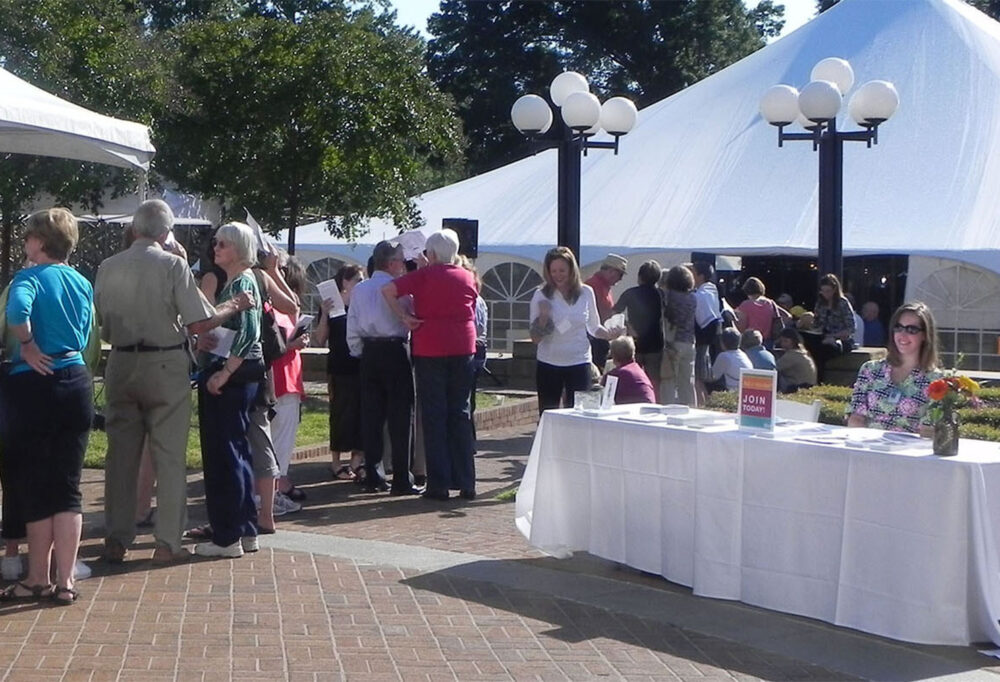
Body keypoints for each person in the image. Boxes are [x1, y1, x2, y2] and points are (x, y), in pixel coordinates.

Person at [96, 200, 254, 566]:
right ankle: (167, 541)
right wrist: (234, 306)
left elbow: (102, 321)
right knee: (168, 457)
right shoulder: (173, 264)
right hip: (165, 362)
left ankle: (116, 538)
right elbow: (200, 323)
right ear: (166, 233)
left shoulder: (107, 266)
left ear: (135, 228)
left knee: (120, 457)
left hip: (120, 360)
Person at [0, 208, 93, 605]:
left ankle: (36, 577)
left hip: (35, 383)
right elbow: (87, 330)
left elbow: (17, 313)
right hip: (76, 380)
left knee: (37, 484)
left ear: (39, 242)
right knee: (68, 486)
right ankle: (66, 579)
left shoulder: (29, 277)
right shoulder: (81, 281)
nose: (25, 245)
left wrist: (27, 343)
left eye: (27, 239)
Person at [382, 229, 478, 501]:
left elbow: (388, 290)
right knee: (460, 412)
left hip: (431, 346)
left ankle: (439, 483)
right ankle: (466, 480)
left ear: (431, 253)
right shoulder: (467, 277)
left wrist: (404, 316)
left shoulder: (423, 276)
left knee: (434, 415)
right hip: (463, 346)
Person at [194, 222, 266, 558]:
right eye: (215, 243)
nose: (216, 248)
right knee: (237, 452)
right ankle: (245, 530)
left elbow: (250, 334)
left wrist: (223, 373)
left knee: (225, 457)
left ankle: (227, 536)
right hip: (241, 377)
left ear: (238, 247)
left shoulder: (242, 283)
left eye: (222, 243)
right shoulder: (240, 282)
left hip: (233, 378)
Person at [346, 240, 414, 495]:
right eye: (400, 259)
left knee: (371, 417)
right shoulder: (400, 289)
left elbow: (352, 325)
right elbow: (410, 319)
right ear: (391, 262)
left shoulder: (360, 290)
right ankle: (401, 478)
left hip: (370, 352)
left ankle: (374, 475)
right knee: (400, 417)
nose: (404, 264)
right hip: (395, 350)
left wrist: (359, 352)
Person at [529, 247, 624, 414]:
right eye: (554, 271)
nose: (558, 275)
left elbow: (594, 327)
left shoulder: (586, 292)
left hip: (579, 361)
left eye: (562, 270)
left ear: (571, 270)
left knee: (580, 413)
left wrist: (610, 335)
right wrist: (543, 317)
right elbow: (535, 338)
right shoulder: (541, 295)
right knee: (548, 413)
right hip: (549, 362)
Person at [846, 302, 941, 433]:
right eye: (898, 327)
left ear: (925, 335)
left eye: (911, 329)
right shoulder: (870, 370)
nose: (903, 335)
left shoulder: (936, 381)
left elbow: (928, 431)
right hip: (868, 448)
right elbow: (856, 417)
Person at [312, 264, 365, 481]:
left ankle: (357, 461)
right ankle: (336, 462)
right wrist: (324, 313)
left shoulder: (362, 303)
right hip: (339, 366)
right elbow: (320, 338)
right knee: (340, 414)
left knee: (362, 414)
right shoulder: (332, 304)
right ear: (345, 281)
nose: (361, 284)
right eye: (358, 280)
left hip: (361, 365)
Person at [271, 255, 311, 502]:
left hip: (290, 376)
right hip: (279, 377)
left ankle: (276, 487)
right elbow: (271, 345)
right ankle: (272, 492)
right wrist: (292, 343)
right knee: (278, 440)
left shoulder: (285, 308)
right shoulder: (277, 307)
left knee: (284, 441)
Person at [612, 260, 663, 398]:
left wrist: (627, 325)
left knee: (633, 375)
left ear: (639, 276)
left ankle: (635, 400)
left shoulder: (630, 293)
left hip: (635, 341)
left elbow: (615, 312)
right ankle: (655, 402)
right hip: (656, 342)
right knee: (654, 380)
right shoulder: (661, 294)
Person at [805, 273, 856, 382]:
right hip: (823, 336)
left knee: (822, 352)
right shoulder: (820, 303)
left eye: (828, 291)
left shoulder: (843, 303)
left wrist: (833, 336)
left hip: (841, 339)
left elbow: (851, 328)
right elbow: (817, 324)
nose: (825, 294)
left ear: (834, 290)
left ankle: (819, 381)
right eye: (823, 291)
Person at [584, 253, 627, 371]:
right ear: (611, 272)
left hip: (601, 338)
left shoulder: (605, 287)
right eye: (620, 274)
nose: (620, 279)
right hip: (593, 339)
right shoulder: (592, 286)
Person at [660, 265, 697, 406]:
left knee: (668, 380)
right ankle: (692, 410)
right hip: (689, 342)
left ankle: (667, 410)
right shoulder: (693, 298)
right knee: (687, 382)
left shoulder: (668, 296)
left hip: (672, 343)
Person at [691, 261, 722, 404]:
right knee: (699, 378)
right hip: (706, 342)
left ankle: (702, 406)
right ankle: (704, 405)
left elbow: (705, 320)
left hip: (701, 342)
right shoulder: (711, 290)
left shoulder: (702, 295)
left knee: (697, 378)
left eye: (693, 272)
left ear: (701, 276)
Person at [735, 276, 789, 346]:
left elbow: (741, 327)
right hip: (768, 342)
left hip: (751, 341)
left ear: (746, 290)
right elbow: (787, 316)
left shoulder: (745, 305)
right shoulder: (770, 303)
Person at [603, 336, 656, 405]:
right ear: (633, 352)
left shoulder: (614, 376)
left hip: (634, 412)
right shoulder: (638, 369)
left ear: (613, 355)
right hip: (649, 408)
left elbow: (605, 403)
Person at [775, 327, 817, 393]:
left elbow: (773, 368)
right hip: (809, 386)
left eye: (786, 341)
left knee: (774, 375)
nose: (782, 344)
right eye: (781, 341)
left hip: (797, 387)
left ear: (794, 342)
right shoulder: (803, 353)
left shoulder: (792, 355)